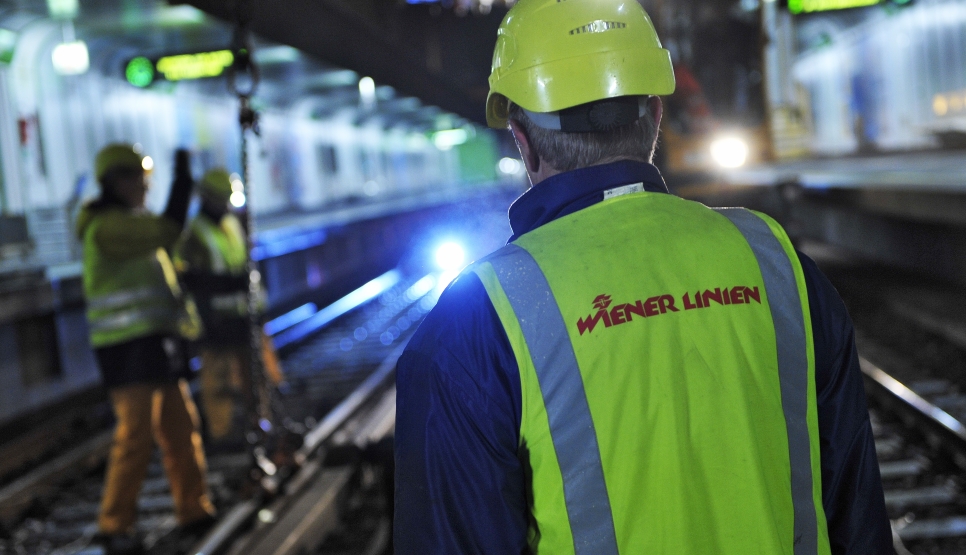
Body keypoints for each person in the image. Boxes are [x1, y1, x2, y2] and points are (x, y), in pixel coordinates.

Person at [393, 1, 893, 554]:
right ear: (655, 116)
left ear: (523, 138)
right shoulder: (776, 262)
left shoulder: (476, 319)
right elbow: (860, 522)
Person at [79, 144, 215, 554]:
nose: (144, 185)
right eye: (138, 178)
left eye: (146, 177)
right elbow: (168, 229)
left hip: (156, 344)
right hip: (126, 348)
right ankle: (114, 524)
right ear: (115, 181)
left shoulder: (132, 224)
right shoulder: (106, 227)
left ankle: (194, 509)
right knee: (135, 435)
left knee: (180, 427)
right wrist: (184, 182)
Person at [175, 169, 281, 444]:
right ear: (207, 198)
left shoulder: (232, 224)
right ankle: (222, 434)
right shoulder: (195, 232)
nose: (225, 205)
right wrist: (221, 286)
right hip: (216, 320)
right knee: (218, 381)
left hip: (244, 316)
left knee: (255, 377)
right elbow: (188, 276)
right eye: (221, 200)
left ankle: (260, 424)